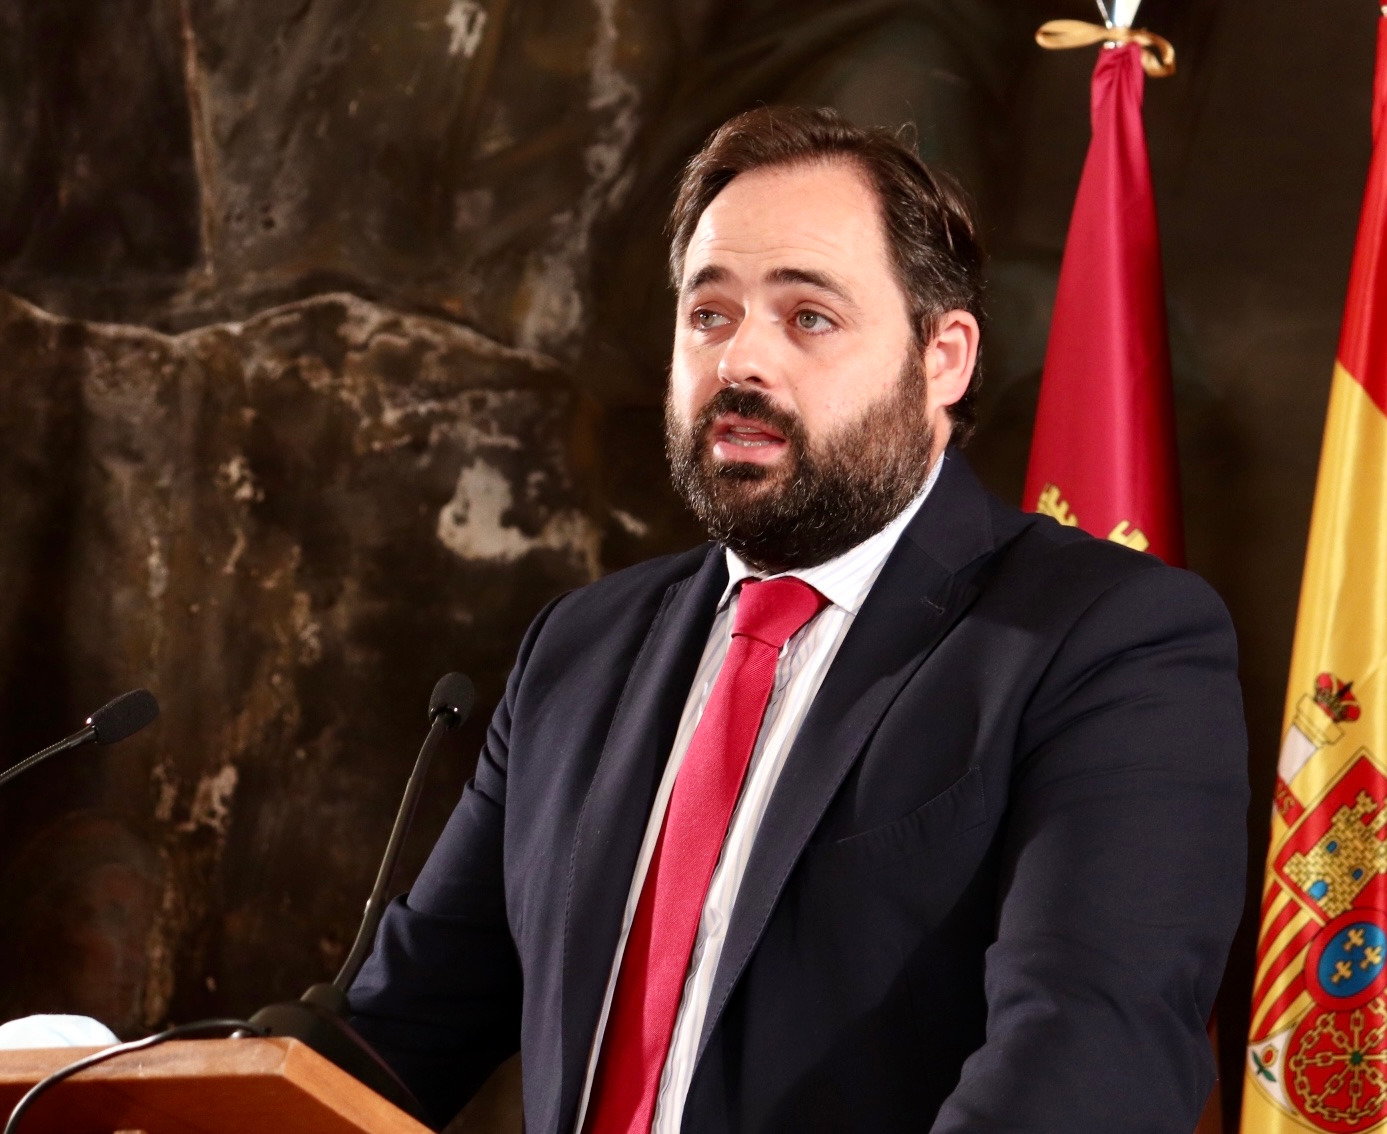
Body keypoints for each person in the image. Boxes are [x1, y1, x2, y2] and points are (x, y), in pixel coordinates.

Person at [349, 106, 1248, 1134]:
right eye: (709, 314)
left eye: (808, 317)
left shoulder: (1106, 641)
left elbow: (1085, 1059)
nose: (741, 361)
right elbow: (398, 1033)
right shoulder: (579, 650)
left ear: (943, 358)